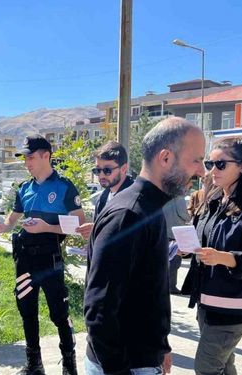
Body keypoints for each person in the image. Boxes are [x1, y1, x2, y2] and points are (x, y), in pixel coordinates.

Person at [84, 117, 206, 375]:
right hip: (124, 365)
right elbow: (99, 311)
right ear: (165, 158)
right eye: (196, 160)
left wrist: (160, 347)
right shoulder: (129, 215)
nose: (202, 171)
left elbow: (149, 292)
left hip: (142, 359)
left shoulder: (149, 209)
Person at [0, 134, 86, 375]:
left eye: (30, 157)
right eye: (25, 158)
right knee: (27, 311)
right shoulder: (24, 188)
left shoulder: (64, 186)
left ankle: (69, 364)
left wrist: (46, 227)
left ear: (46, 155)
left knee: (59, 314)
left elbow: (79, 225)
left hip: (50, 258)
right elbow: (11, 222)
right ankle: (34, 364)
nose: (27, 163)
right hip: (25, 260)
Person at [182, 137, 242, 375]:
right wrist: (185, 248)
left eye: (220, 164)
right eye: (210, 164)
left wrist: (224, 257)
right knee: (223, 366)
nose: (212, 170)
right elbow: (204, 239)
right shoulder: (214, 199)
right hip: (208, 299)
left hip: (234, 305)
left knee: (207, 367)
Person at [76, 141, 134, 240]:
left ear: (123, 169)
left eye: (107, 170)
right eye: (97, 170)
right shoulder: (102, 198)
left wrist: (98, 231)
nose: (101, 175)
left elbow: (135, 238)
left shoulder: (135, 199)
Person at [164, 196, 190, 295]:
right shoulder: (178, 197)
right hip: (175, 232)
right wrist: (190, 217)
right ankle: (172, 286)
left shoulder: (162, 193)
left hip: (164, 230)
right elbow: (183, 214)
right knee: (175, 261)